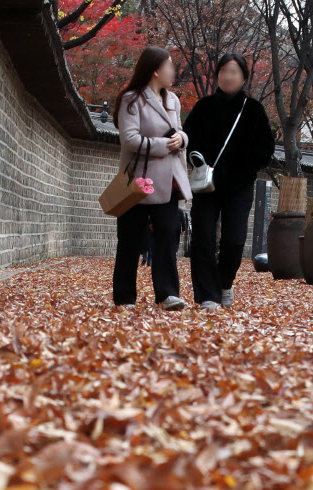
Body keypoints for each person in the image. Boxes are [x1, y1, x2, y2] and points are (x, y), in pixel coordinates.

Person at [184, 53, 275, 310]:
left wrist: (246, 169)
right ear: (217, 75)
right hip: (207, 184)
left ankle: (224, 282)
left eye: (234, 72)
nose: (228, 76)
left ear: (244, 77)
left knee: (234, 240)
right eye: (224, 71)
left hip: (239, 186)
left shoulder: (254, 110)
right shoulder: (203, 107)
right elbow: (187, 139)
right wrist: (197, 160)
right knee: (202, 238)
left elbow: (266, 148)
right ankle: (207, 295)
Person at [112, 47, 192, 310]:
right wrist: (165, 145)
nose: (173, 70)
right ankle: (124, 296)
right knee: (129, 239)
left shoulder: (174, 101)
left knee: (168, 234)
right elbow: (130, 139)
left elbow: (180, 133)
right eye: (170, 65)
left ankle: (167, 294)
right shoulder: (131, 100)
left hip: (167, 181)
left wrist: (183, 139)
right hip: (137, 181)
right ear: (156, 69)